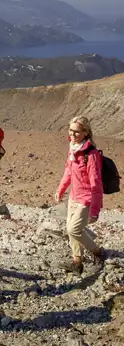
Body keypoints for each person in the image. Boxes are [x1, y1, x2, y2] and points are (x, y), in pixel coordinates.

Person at [54, 116, 106, 274]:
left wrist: (95, 210)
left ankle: (97, 252)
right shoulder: (73, 149)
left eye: (77, 132)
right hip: (74, 197)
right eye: (70, 130)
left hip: (86, 199)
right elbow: (68, 172)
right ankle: (77, 262)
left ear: (86, 132)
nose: (73, 134)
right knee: (71, 230)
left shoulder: (91, 155)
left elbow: (96, 184)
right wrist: (60, 189)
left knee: (73, 229)